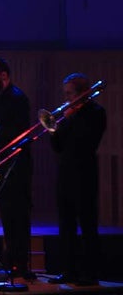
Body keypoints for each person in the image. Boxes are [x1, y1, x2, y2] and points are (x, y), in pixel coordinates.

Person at [49, 73, 106, 286]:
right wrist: (55, 129)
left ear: (82, 93)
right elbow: (58, 147)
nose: (66, 98)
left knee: (87, 225)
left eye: (69, 94)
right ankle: (69, 271)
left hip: (85, 174)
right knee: (66, 225)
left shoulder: (96, 112)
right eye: (65, 94)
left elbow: (87, 142)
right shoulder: (68, 115)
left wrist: (71, 118)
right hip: (65, 173)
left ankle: (90, 273)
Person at [0, 57, 33, 280]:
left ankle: (20, 265)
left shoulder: (17, 98)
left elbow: (21, 131)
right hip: (4, 163)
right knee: (7, 216)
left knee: (18, 216)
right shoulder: (0, 98)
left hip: (18, 165)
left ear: (4, 75)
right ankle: (11, 263)